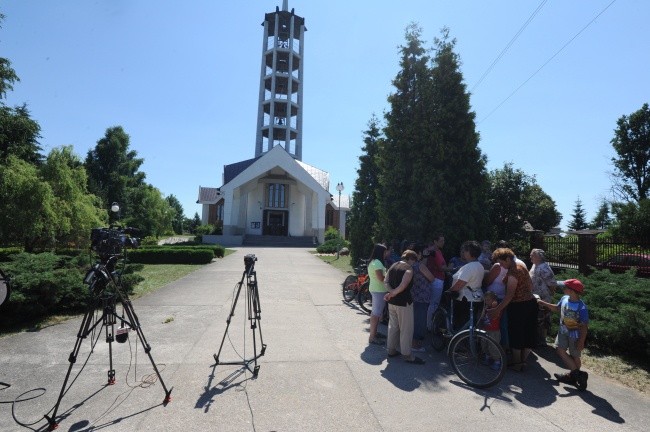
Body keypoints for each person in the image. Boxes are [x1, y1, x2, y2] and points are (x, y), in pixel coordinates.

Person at [488, 247, 537, 372]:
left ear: (508, 259)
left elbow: (509, 295)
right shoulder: (522, 266)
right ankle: (522, 361)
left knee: (516, 334)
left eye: (502, 262)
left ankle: (516, 364)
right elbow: (531, 285)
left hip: (519, 306)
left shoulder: (513, 272)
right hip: (531, 303)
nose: (501, 266)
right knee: (528, 333)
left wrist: (497, 309)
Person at [537, 279, 589, 391]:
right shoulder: (564, 298)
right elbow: (557, 308)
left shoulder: (581, 307)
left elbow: (584, 326)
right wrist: (543, 303)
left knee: (575, 355)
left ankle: (574, 376)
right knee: (560, 350)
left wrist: (581, 341)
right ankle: (577, 375)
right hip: (563, 332)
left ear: (571, 291)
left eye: (565, 287)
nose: (563, 289)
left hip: (575, 335)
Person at [383, 250, 424, 364]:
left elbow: (385, 281)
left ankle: (391, 350)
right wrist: (393, 293)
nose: (414, 263)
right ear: (411, 259)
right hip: (404, 303)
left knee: (393, 327)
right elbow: (403, 286)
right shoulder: (408, 269)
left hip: (392, 302)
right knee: (406, 329)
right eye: (414, 261)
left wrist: (390, 293)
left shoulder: (393, 265)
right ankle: (407, 355)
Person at [448, 241, 485, 330]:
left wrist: (449, 291)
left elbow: (459, 284)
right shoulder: (479, 265)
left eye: (465, 251)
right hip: (476, 297)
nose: (463, 253)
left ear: (470, 252)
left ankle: (459, 342)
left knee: (461, 324)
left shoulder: (469, 267)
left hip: (465, 299)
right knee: (471, 324)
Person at [529, 248, 557, 346]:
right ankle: (536, 339)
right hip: (535, 297)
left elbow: (552, 284)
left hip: (544, 298)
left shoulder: (544, 268)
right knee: (537, 318)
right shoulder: (534, 265)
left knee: (544, 319)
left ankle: (542, 340)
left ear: (539, 257)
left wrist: (550, 295)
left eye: (533, 255)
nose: (530, 256)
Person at [410, 244, 434, 351]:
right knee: (420, 320)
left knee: (414, 319)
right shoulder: (420, 266)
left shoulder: (409, 265)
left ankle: (412, 342)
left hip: (413, 294)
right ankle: (415, 345)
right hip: (422, 296)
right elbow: (432, 278)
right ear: (418, 254)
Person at [367, 244, 390, 345]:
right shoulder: (377, 263)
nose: (386, 254)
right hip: (378, 291)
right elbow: (381, 278)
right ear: (381, 252)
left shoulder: (375, 262)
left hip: (376, 290)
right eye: (385, 252)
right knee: (376, 314)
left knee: (376, 313)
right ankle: (372, 337)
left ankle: (374, 333)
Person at [425, 234, 447, 329]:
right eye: (441, 241)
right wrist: (453, 268)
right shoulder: (434, 251)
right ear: (435, 241)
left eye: (443, 240)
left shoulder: (437, 251)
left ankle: (428, 324)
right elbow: (442, 268)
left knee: (432, 303)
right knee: (433, 303)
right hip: (436, 279)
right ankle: (429, 325)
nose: (443, 242)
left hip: (435, 278)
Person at [481, 291, 502, 370]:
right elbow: (482, 317)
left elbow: (494, 317)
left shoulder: (496, 308)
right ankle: (487, 357)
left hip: (494, 331)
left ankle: (497, 361)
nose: (486, 302)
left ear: (494, 300)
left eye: (488, 300)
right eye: (485, 300)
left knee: (493, 347)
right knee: (484, 345)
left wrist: (493, 306)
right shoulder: (486, 307)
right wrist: (484, 309)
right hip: (486, 329)